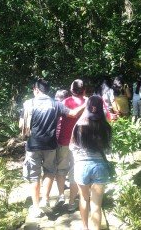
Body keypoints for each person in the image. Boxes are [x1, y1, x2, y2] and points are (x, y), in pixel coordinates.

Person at [20, 78, 86, 218]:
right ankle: (45, 198)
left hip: (33, 145)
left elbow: (21, 126)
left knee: (34, 176)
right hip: (51, 145)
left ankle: (37, 207)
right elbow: (73, 114)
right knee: (49, 171)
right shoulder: (56, 104)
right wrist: (85, 103)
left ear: (36, 89)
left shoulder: (29, 103)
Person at [70, 95, 112, 230]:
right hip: (100, 166)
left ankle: (85, 227)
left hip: (81, 165)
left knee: (84, 199)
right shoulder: (106, 126)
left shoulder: (79, 125)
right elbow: (107, 149)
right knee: (97, 205)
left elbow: (71, 146)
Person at [55, 79, 86, 212]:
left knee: (61, 170)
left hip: (63, 141)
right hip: (80, 143)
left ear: (71, 90)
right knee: (75, 172)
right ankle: (72, 202)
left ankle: (61, 195)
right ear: (84, 90)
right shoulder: (87, 103)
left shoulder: (64, 102)